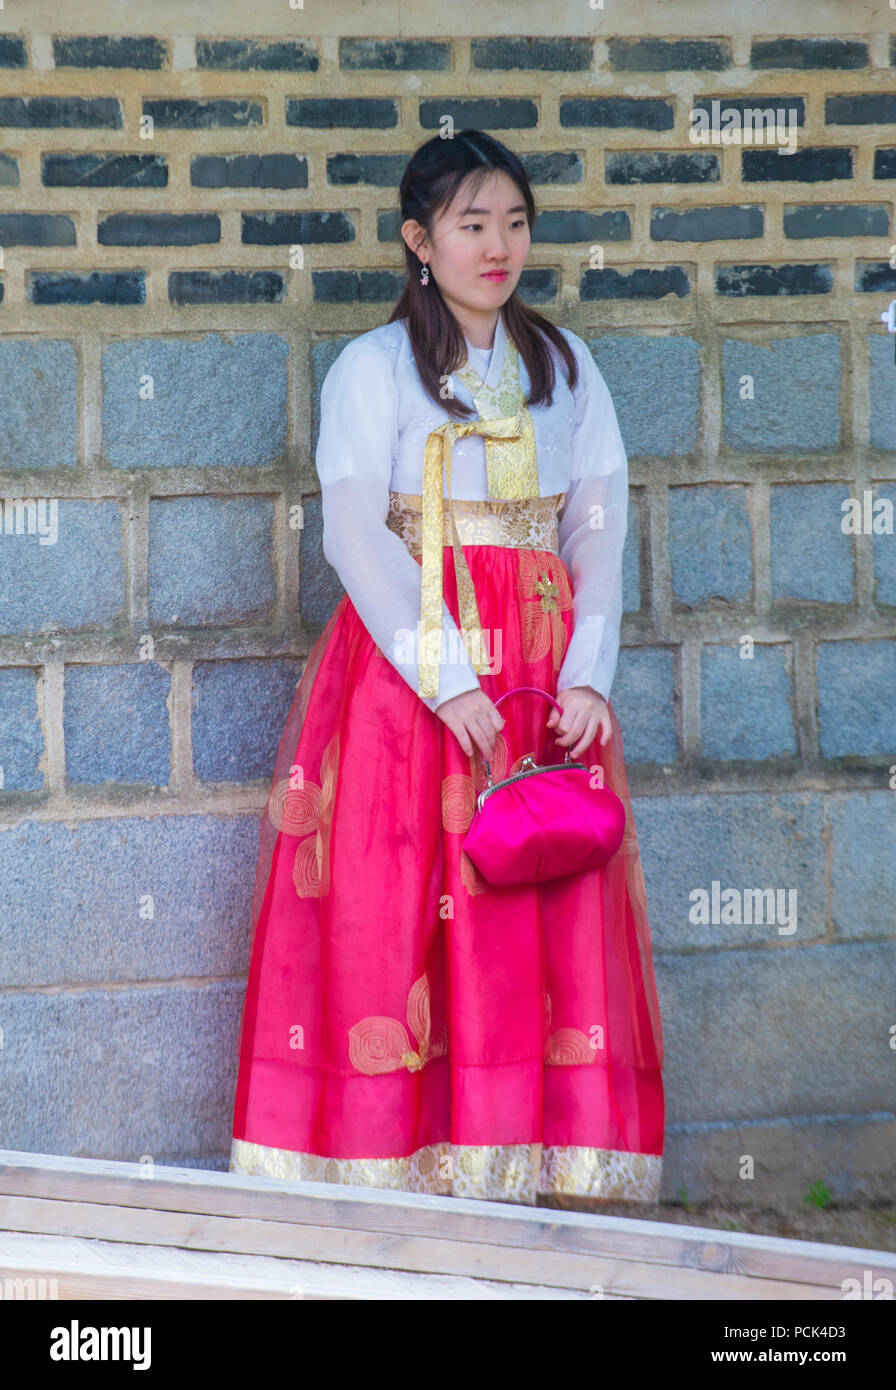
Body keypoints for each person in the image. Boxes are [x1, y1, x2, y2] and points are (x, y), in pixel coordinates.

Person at [229, 129, 664, 1205]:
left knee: (535, 892)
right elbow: (353, 538)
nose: (498, 245)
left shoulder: (564, 366)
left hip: (541, 680)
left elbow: (596, 526)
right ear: (420, 240)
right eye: (472, 224)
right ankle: (393, 1167)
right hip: (413, 676)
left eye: (514, 221)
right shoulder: (372, 369)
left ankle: (532, 1162)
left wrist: (589, 672)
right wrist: (450, 678)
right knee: (403, 899)